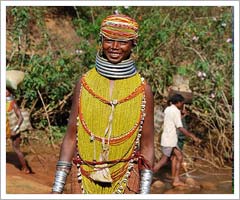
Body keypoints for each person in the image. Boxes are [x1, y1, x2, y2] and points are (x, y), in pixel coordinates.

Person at [52, 14, 154, 194]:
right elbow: (70, 136)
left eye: (122, 42)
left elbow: (147, 145)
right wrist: (57, 188)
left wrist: (145, 192)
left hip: (126, 178)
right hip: (83, 177)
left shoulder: (142, 89)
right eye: (109, 40)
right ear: (101, 41)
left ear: (133, 44)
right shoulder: (84, 83)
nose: (114, 47)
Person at [153, 94, 201, 186]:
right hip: (169, 140)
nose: (182, 105)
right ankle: (147, 176)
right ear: (178, 102)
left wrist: (181, 116)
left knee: (179, 157)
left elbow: (172, 122)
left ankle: (176, 180)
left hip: (169, 139)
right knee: (162, 161)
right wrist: (192, 136)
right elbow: (180, 127)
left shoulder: (168, 109)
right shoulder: (175, 111)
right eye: (182, 104)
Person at [6, 88, 30, 174]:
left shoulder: (13, 104)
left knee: (16, 149)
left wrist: (15, 129)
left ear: (10, 92)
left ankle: (25, 168)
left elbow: (21, 117)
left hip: (12, 129)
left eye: (6, 90)